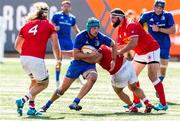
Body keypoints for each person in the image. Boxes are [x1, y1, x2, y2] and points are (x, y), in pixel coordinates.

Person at [40, 17, 117, 112]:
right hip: (76, 64)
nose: (96, 30)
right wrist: (90, 55)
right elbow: (76, 55)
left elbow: (114, 44)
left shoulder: (100, 37)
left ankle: (75, 102)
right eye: (94, 28)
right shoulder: (80, 36)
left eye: (97, 27)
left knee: (93, 77)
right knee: (62, 90)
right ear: (89, 28)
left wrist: (113, 60)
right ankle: (47, 105)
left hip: (89, 66)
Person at [110, 8, 168, 111]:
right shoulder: (120, 28)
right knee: (131, 76)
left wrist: (120, 52)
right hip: (141, 53)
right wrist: (108, 51)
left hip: (151, 49)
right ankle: (137, 102)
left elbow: (133, 43)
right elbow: (119, 45)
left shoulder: (130, 24)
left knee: (152, 76)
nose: (112, 20)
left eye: (113, 18)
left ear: (120, 17)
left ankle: (163, 104)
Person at [14, 2, 61, 116]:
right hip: (36, 59)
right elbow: (56, 45)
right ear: (46, 14)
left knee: (34, 82)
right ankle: (22, 100)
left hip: (23, 58)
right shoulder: (49, 25)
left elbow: (16, 46)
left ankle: (31, 108)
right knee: (44, 83)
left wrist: (26, 55)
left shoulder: (26, 25)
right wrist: (58, 60)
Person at [83, 45, 153, 113]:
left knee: (118, 91)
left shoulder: (96, 51)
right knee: (134, 87)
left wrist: (83, 57)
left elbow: (96, 58)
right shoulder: (103, 42)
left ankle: (132, 106)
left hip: (118, 71)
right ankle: (147, 103)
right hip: (128, 64)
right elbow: (114, 45)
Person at [139, 0, 176, 84]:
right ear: (154, 7)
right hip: (152, 45)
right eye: (157, 7)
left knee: (163, 67)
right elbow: (138, 26)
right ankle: (158, 86)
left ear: (163, 8)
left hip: (164, 44)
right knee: (154, 68)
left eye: (161, 8)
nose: (158, 9)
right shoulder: (147, 15)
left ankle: (160, 80)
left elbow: (173, 30)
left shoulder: (168, 15)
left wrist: (159, 29)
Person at [52, 0, 81, 87]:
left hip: (68, 41)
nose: (66, 8)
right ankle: (57, 81)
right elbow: (50, 26)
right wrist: (54, 28)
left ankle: (76, 78)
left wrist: (82, 36)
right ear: (61, 7)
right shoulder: (57, 16)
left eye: (67, 6)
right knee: (59, 61)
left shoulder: (72, 18)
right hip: (59, 41)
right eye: (64, 6)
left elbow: (76, 29)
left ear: (70, 8)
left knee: (76, 59)